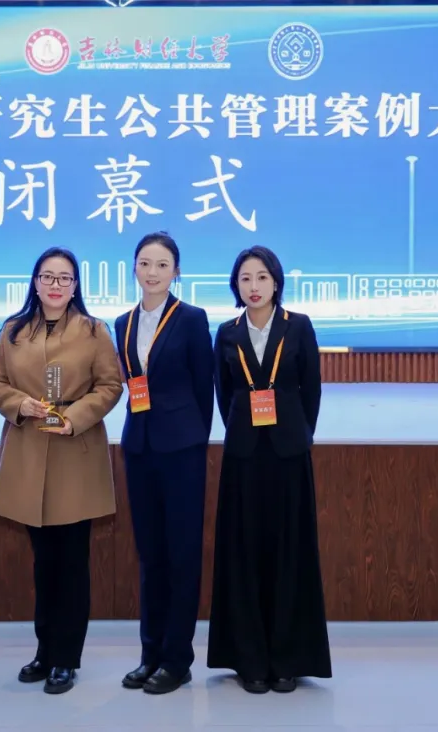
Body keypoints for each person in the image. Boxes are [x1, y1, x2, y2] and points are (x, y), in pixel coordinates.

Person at [0, 247, 123, 694]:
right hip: (28, 451)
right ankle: (44, 652)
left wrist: (75, 417)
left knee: (72, 563)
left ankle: (66, 658)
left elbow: (110, 385)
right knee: (44, 564)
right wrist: (19, 404)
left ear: (76, 285)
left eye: (65, 278)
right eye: (48, 276)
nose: (55, 285)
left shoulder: (94, 331)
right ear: (35, 281)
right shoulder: (13, 331)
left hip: (74, 453)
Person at [207, 245, 332, 694]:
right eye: (245, 278)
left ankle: (286, 660)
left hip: (288, 454)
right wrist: (244, 428)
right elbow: (225, 393)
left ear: (276, 282)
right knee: (244, 554)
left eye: (262, 277)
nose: (254, 286)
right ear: (236, 286)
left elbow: (311, 390)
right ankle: (251, 661)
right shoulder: (227, 332)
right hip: (243, 455)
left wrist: (296, 433)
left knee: (289, 553)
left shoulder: (298, 325)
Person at [112, 232, 213, 695]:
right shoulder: (123, 322)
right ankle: (150, 654)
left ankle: (177, 660)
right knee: (150, 555)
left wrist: (192, 438)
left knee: (182, 555)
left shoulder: (191, 318)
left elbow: (204, 387)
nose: (152, 272)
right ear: (134, 268)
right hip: (139, 448)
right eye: (144, 263)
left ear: (176, 272)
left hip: (182, 452)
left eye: (162, 264)